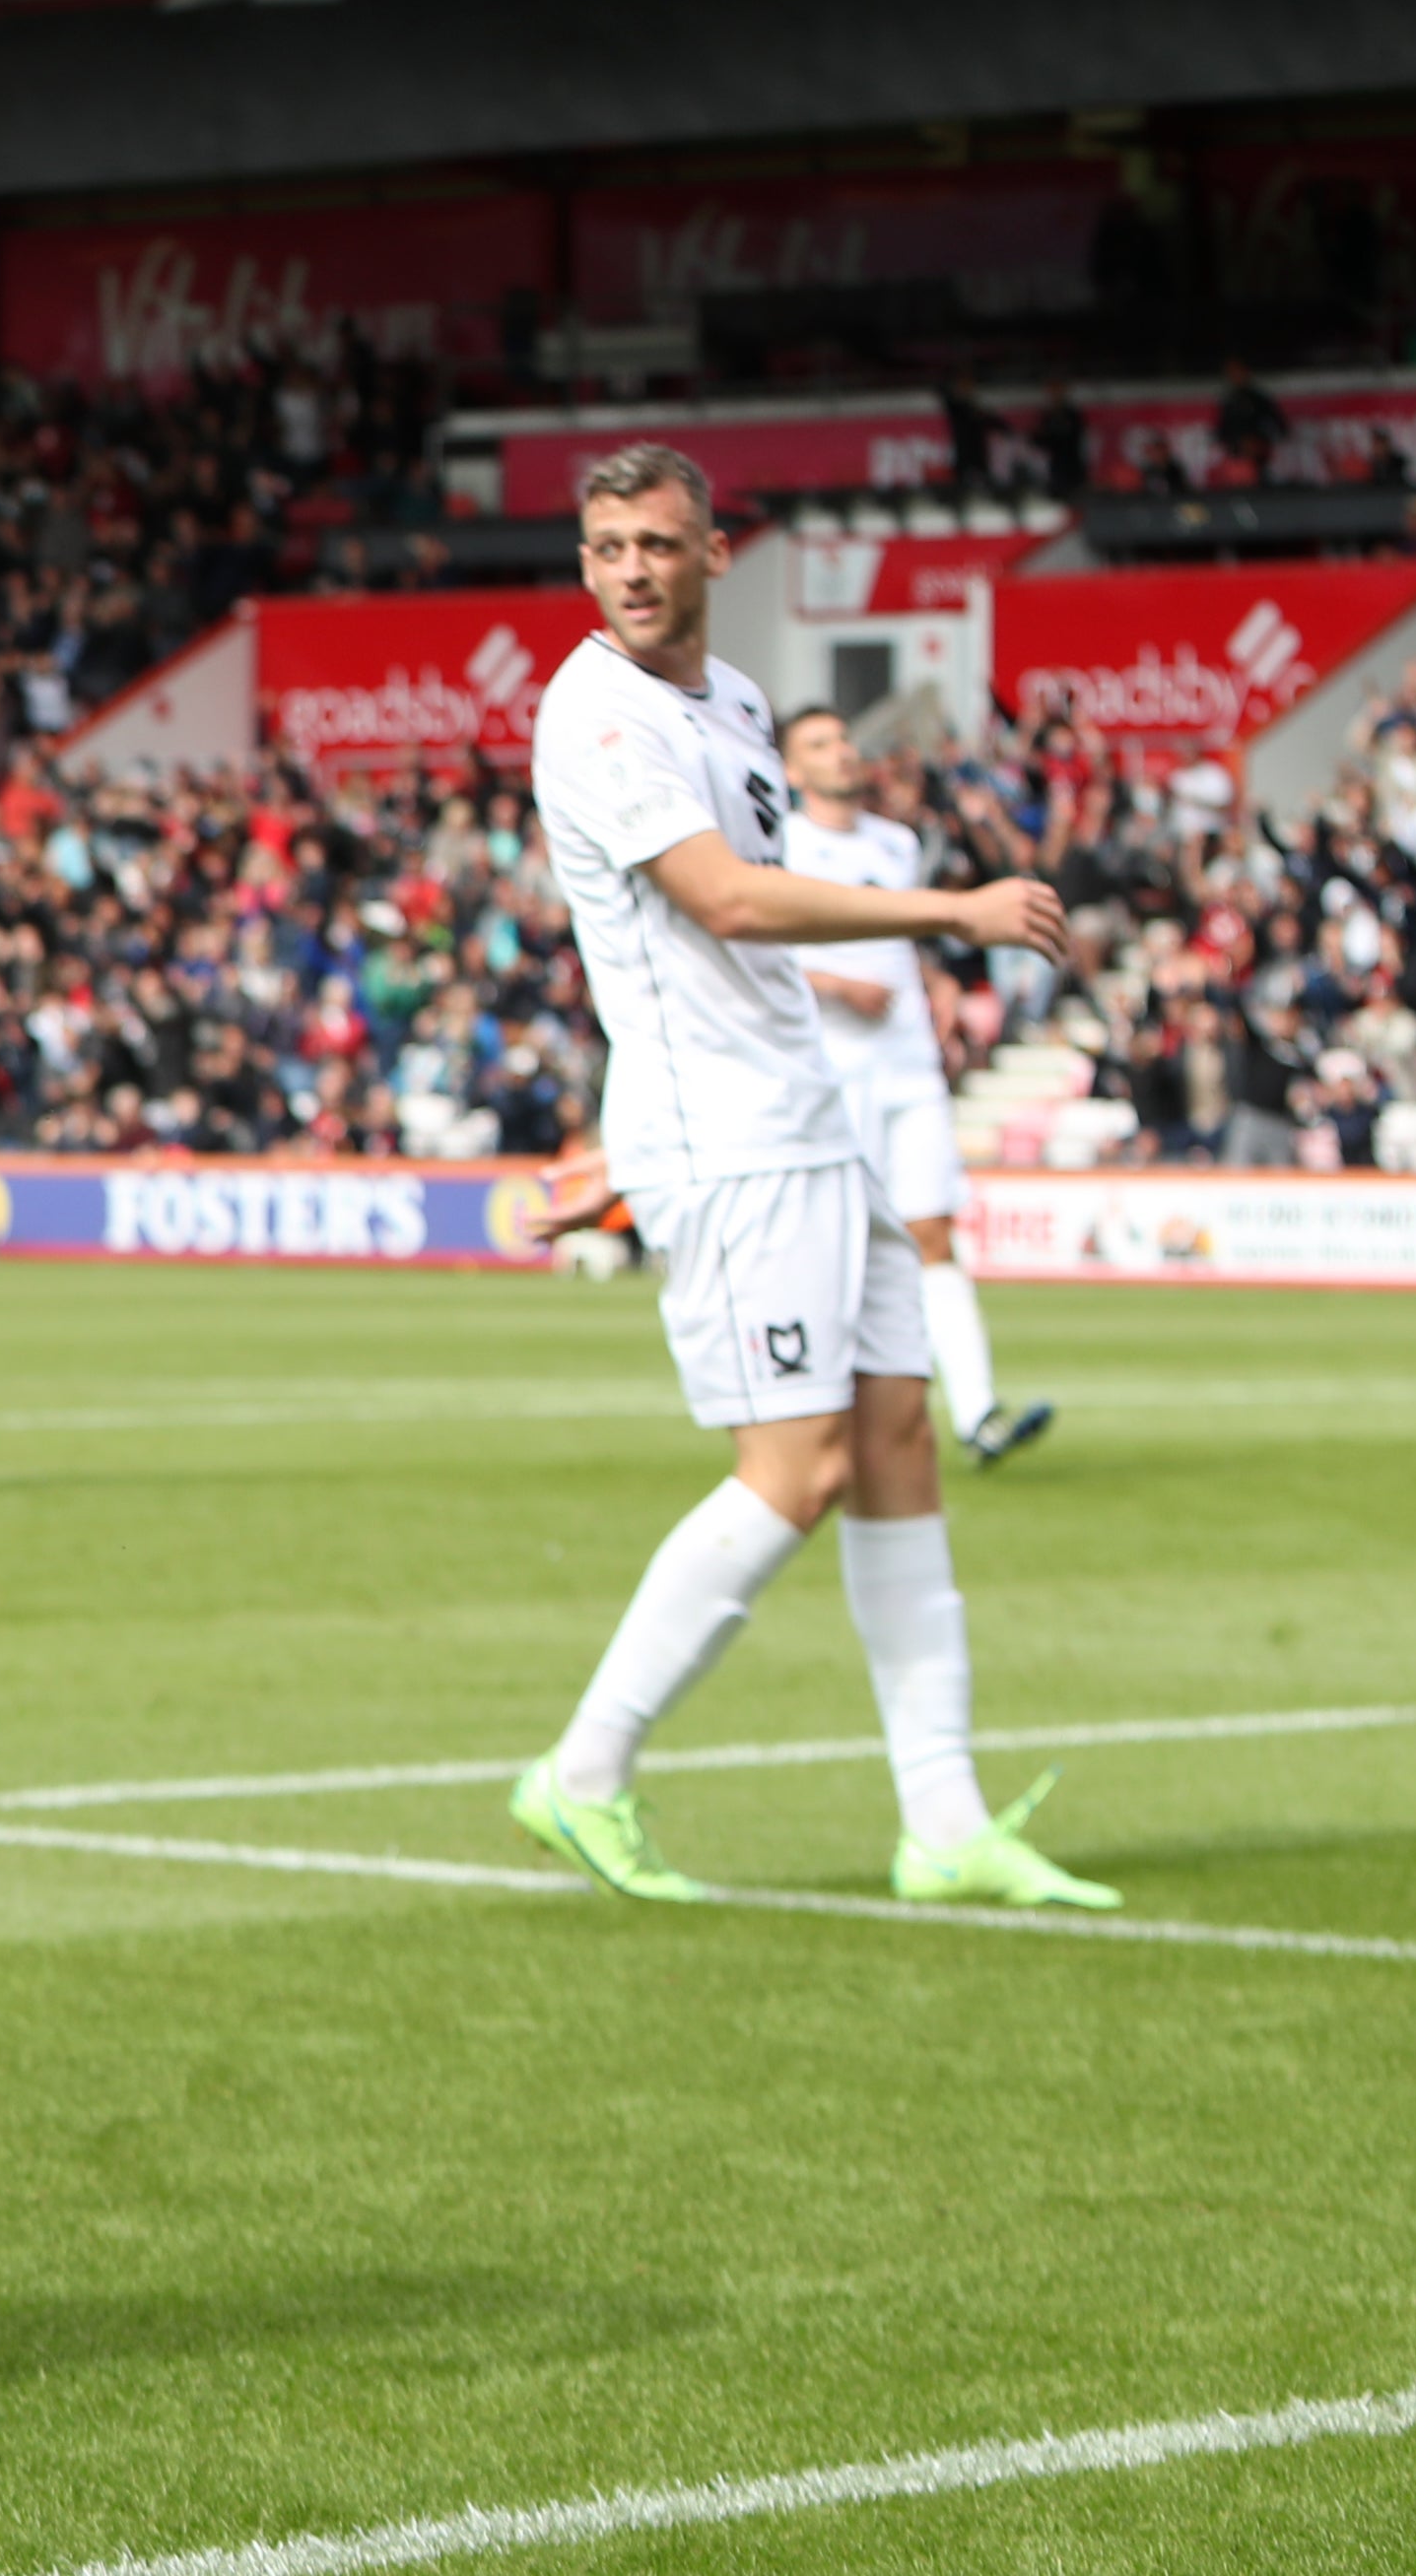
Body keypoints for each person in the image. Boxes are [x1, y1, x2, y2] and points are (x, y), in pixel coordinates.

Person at [509, 443, 1112, 1911]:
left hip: (806, 1114)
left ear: (717, 556)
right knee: (797, 1470)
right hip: (726, 1136)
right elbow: (720, 898)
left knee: (898, 1444)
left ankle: (944, 1823)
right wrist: (948, 910)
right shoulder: (596, 714)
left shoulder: (734, 699)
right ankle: (581, 1775)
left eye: (657, 543)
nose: (632, 569)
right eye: (606, 548)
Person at [776, 706, 1051, 1467]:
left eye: (843, 741)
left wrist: (933, 983)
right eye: (821, 746)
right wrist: (836, 984)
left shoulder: (896, 844)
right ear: (793, 772)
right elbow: (755, 956)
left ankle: (978, 1411)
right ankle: (823, 1417)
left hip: (907, 1063)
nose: (841, 754)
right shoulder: (781, 847)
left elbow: (897, 939)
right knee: (843, 1243)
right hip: (835, 1069)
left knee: (932, 1234)